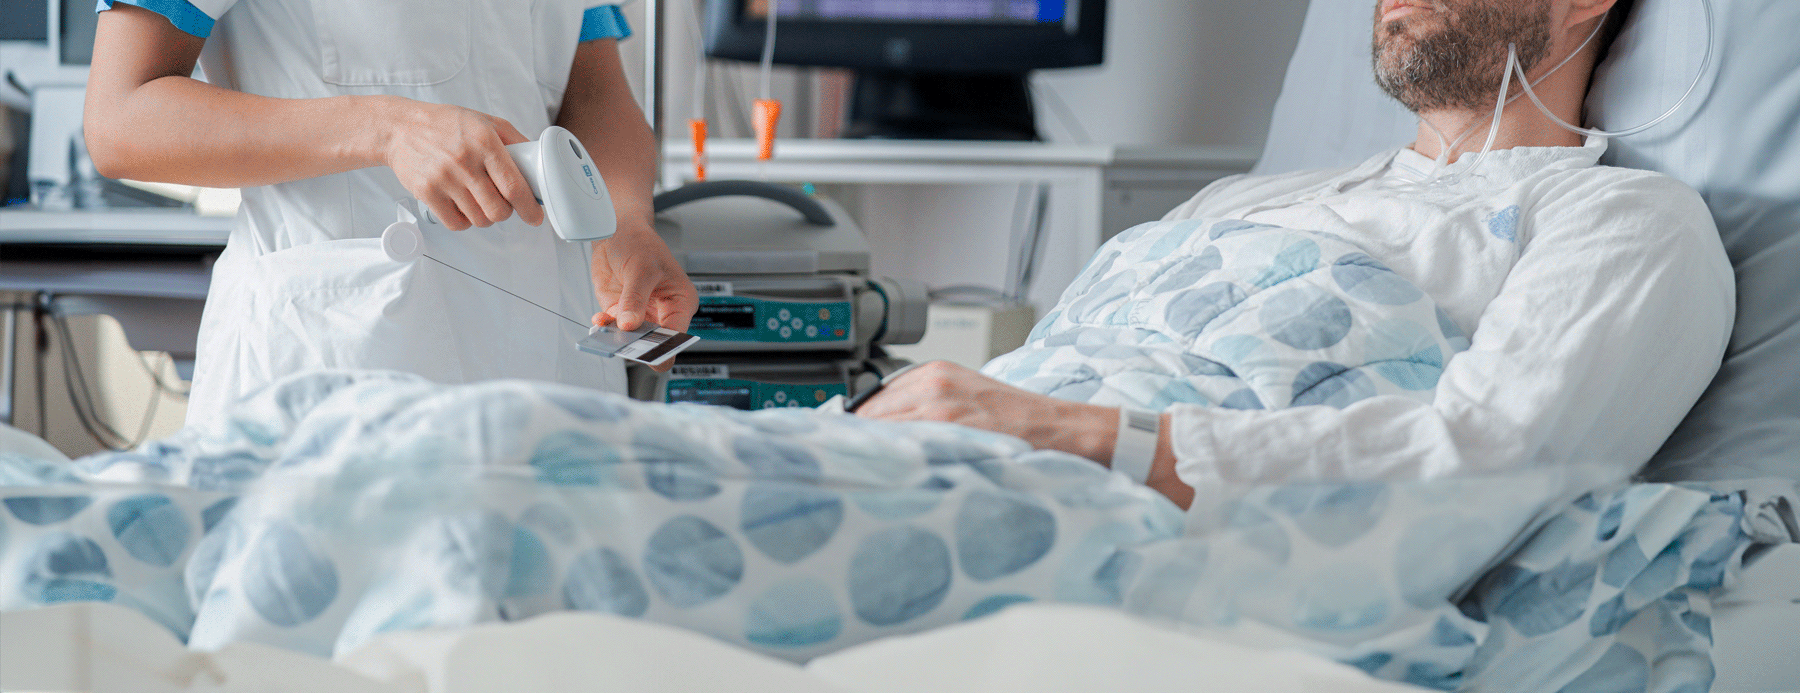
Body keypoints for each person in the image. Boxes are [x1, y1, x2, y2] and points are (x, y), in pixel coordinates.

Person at [854, 0, 1734, 509]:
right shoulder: (1236, 203)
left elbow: (1482, 467)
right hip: (910, 459)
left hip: (1069, 499)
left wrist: (1070, 436)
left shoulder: (1621, 219)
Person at [82, 0, 699, 425]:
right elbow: (122, 119)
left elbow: (596, 93)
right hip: (347, 365)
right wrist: (386, 128)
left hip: (556, 359)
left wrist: (624, 223)